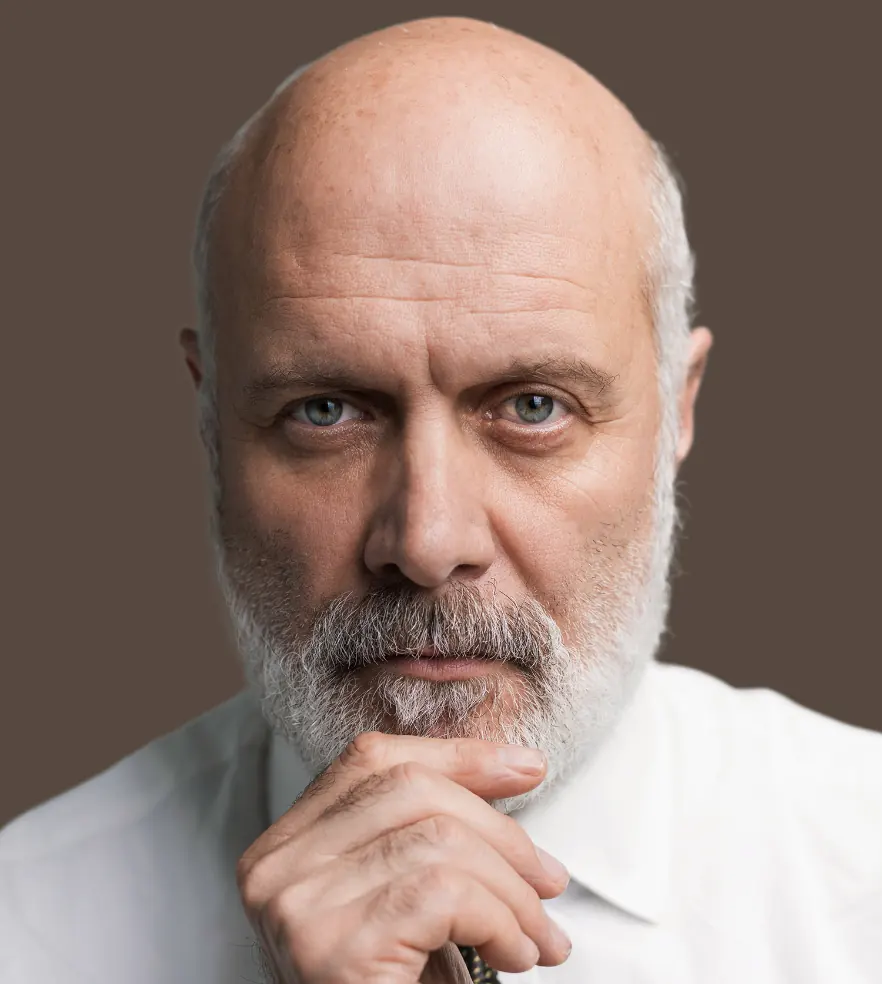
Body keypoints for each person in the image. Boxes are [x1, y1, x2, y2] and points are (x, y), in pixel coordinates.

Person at [1, 15, 879, 984]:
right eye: (326, 411)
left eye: (534, 407)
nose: (425, 541)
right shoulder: (26, 930)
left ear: (678, 408)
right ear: (211, 421)